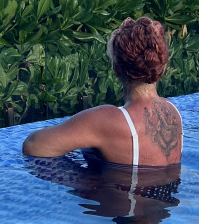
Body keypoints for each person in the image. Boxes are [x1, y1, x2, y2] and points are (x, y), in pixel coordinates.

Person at [22, 17, 182, 167]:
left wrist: (82, 181)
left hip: (121, 188)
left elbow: (33, 145)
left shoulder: (108, 121)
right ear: (163, 66)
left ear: (116, 69)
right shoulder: (174, 113)